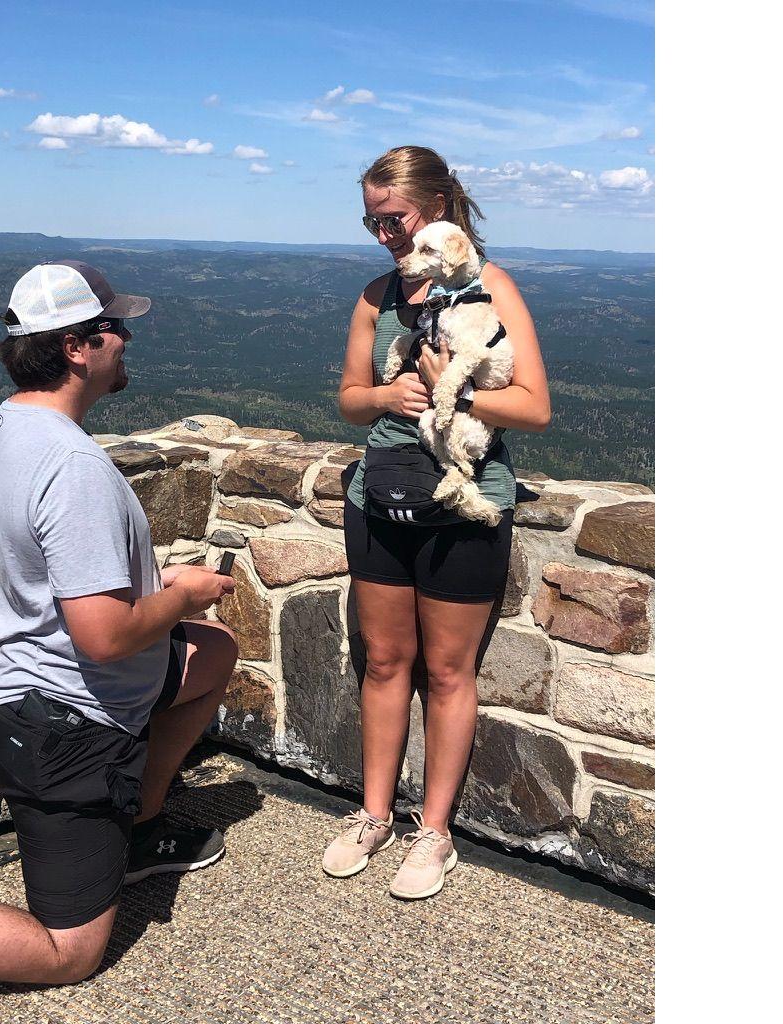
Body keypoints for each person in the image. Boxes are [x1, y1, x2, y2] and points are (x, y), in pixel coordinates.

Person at [0, 260, 238, 984]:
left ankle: (134, 825)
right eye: (117, 329)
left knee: (212, 654)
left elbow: (50, 570)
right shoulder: (72, 467)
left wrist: (153, 585)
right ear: (78, 346)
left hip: (30, 686)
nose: (127, 340)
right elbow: (103, 636)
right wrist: (181, 596)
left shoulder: (5, 423)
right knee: (68, 954)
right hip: (63, 724)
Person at [324, 147, 551, 899]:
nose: (384, 234)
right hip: (381, 496)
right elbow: (351, 397)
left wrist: (446, 391)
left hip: (464, 502)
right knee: (385, 662)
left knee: (449, 671)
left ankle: (435, 832)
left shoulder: (494, 289)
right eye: (373, 220)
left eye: (396, 219)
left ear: (440, 208)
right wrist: (387, 400)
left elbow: (536, 407)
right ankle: (373, 814)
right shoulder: (374, 296)